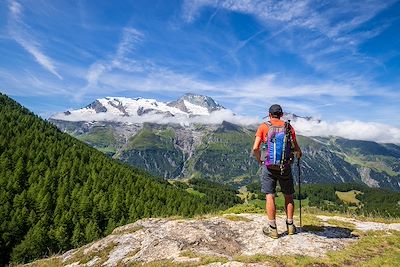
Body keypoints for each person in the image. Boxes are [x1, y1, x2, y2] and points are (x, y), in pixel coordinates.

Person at [252, 104, 302, 238]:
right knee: (288, 195)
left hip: (269, 166)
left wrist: (260, 160)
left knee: (270, 195)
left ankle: (273, 228)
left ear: (269, 114)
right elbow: (296, 147)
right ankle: (290, 226)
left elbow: (255, 148)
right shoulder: (288, 127)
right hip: (285, 166)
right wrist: (299, 154)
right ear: (281, 114)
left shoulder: (264, 127)